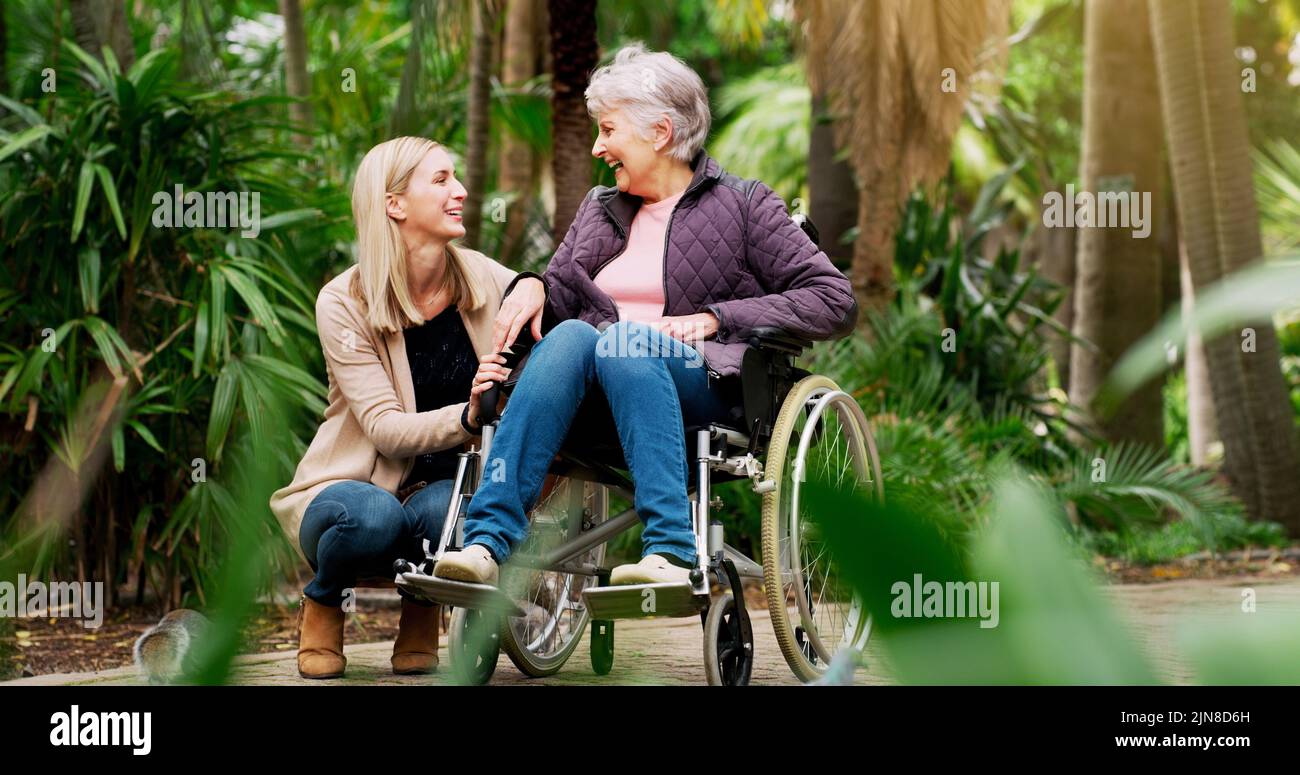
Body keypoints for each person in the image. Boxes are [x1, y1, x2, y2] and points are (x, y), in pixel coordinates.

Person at [433, 43, 856, 589]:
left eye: (608, 131)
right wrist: (534, 285)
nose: (597, 146)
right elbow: (560, 292)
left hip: (703, 385)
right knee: (571, 338)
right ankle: (486, 543)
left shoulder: (747, 205)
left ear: (659, 132)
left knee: (621, 342)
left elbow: (833, 299)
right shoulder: (599, 209)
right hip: (592, 397)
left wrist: (715, 318)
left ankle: (670, 550)